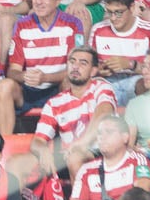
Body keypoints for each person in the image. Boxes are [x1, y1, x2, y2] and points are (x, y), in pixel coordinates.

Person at [0, 0, 85, 135]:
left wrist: (45, 78)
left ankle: (71, 142)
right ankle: (5, 143)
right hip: (28, 89)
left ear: (58, 1)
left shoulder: (72, 24)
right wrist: (24, 76)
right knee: (5, 86)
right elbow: (12, 71)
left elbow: (76, 70)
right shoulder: (22, 25)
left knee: (70, 83)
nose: (39, 2)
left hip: (57, 87)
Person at [20, 45, 116, 191]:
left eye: (83, 63)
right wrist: (43, 150)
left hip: (104, 151)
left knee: (75, 157)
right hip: (71, 156)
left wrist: (82, 143)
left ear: (93, 71)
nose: (76, 66)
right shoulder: (54, 103)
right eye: (72, 62)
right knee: (18, 162)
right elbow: (38, 141)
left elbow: (104, 113)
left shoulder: (102, 87)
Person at [91, 0, 150, 106]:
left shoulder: (149, 30)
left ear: (132, 7)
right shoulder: (98, 30)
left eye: (118, 12)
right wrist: (99, 71)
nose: (113, 18)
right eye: (109, 12)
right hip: (106, 83)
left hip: (136, 80)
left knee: (149, 84)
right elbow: (89, 68)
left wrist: (130, 65)